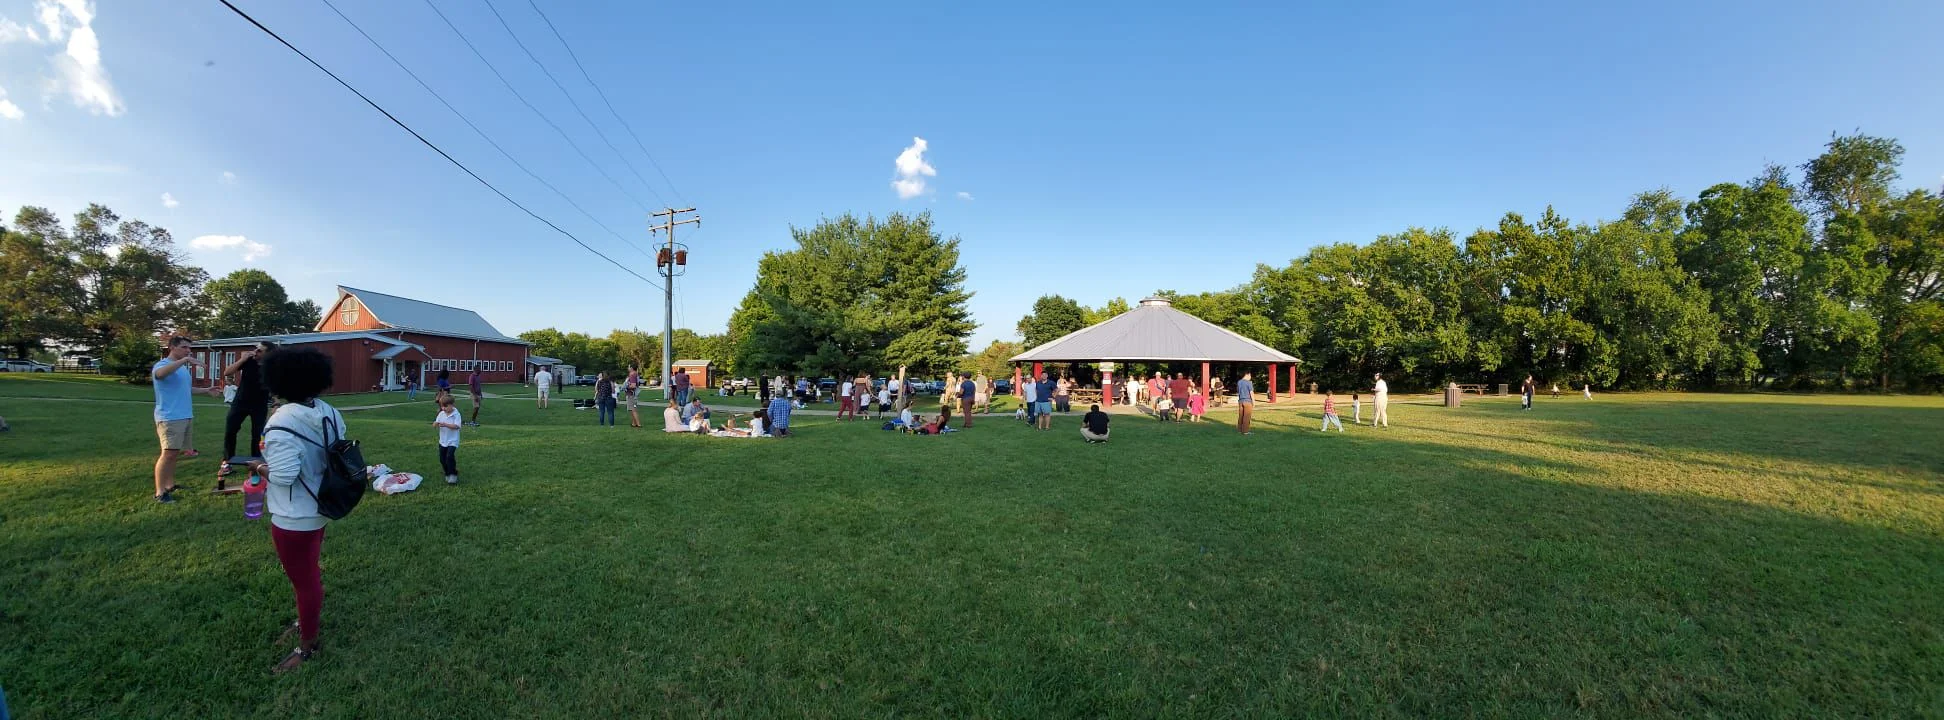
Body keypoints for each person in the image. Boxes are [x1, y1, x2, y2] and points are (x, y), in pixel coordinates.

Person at [251, 346, 344, 673]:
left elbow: (285, 475)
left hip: (294, 516)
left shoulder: (281, 421)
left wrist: (260, 469)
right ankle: (305, 619)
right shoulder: (330, 411)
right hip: (322, 505)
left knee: (304, 581)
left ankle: (308, 645)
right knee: (309, 573)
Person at [151, 336, 221, 502]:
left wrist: (206, 390)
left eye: (189, 348)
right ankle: (160, 493)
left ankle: (169, 485)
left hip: (184, 416)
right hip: (170, 418)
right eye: (184, 347)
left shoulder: (182, 369)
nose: (188, 351)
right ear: (172, 347)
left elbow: (186, 389)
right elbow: (159, 375)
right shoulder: (162, 365)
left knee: (174, 454)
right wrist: (185, 360)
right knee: (167, 454)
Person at [219, 342, 276, 490]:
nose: (255, 352)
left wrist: (275, 402)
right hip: (240, 402)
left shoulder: (271, 366)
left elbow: (273, 386)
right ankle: (227, 462)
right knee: (230, 431)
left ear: (267, 353)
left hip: (259, 405)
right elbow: (227, 372)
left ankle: (255, 465)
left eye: (259, 350)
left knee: (257, 435)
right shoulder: (248, 361)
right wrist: (242, 359)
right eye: (255, 349)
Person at [434, 393, 462, 485]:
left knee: (449, 457)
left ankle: (453, 475)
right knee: (442, 459)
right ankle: (447, 472)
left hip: (453, 441)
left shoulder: (456, 414)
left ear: (452, 405)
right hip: (443, 441)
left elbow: (457, 426)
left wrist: (445, 424)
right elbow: (437, 421)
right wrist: (435, 424)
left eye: (446, 406)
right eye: (442, 406)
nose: (444, 408)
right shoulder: (441, 413)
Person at [1235, 371, 1255, 435]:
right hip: (1247, 401)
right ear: (1247, 375)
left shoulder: (1239, 382)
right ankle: (1245, 431)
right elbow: (1251, 392)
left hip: (1240, 401)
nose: (1250, 377)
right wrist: (1254, 401)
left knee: (1241, 416)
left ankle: (1239, 429)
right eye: (1250, 376)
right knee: (1247, 416)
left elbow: (1238, 391)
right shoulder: (1249, 382)